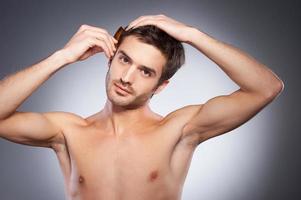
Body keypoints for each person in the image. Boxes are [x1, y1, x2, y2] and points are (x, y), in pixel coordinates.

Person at [0, 14, 284, 200]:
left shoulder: (179, 130)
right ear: (110, 58)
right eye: (124, 60)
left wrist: (193, 34)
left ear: (161, 86)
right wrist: (60, 57)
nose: (126, 77)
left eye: (145, 72)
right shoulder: (67, 132)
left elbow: (266, 87)